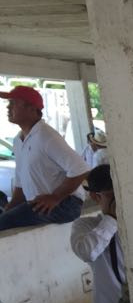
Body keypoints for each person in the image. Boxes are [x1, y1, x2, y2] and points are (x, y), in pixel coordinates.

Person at [0, 85, 89, 232]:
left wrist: (55, 197)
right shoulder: (18, 140)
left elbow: (80, 168)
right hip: (38, 204)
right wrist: (9, 209)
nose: (8, 108)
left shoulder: (45, 135)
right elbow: (21, 183)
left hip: (66, 204)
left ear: (31, 108)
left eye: (13, 103)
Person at [70, 164, 133, 303]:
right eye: (111, 194)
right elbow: (87, 252)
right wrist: (111, 218)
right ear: (95, 197)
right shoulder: (85, 226)